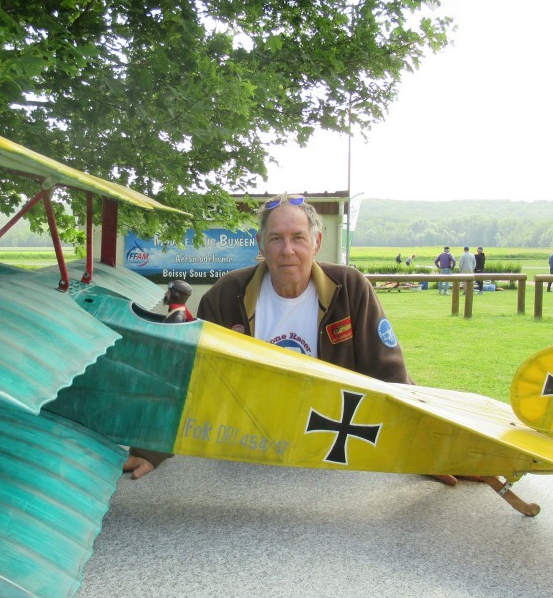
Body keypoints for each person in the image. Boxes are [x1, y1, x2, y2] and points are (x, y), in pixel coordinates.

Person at [124, 194, 454, 486]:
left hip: (332, 455)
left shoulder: (351, 289)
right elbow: (190, 378)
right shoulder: (224, 297)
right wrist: (150, 448)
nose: (287, 251)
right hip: (247, 456)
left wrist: (433, 447)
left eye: (298, 237)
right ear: (260, 244)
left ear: (316, 241)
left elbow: (391, 374)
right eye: (276, 239)